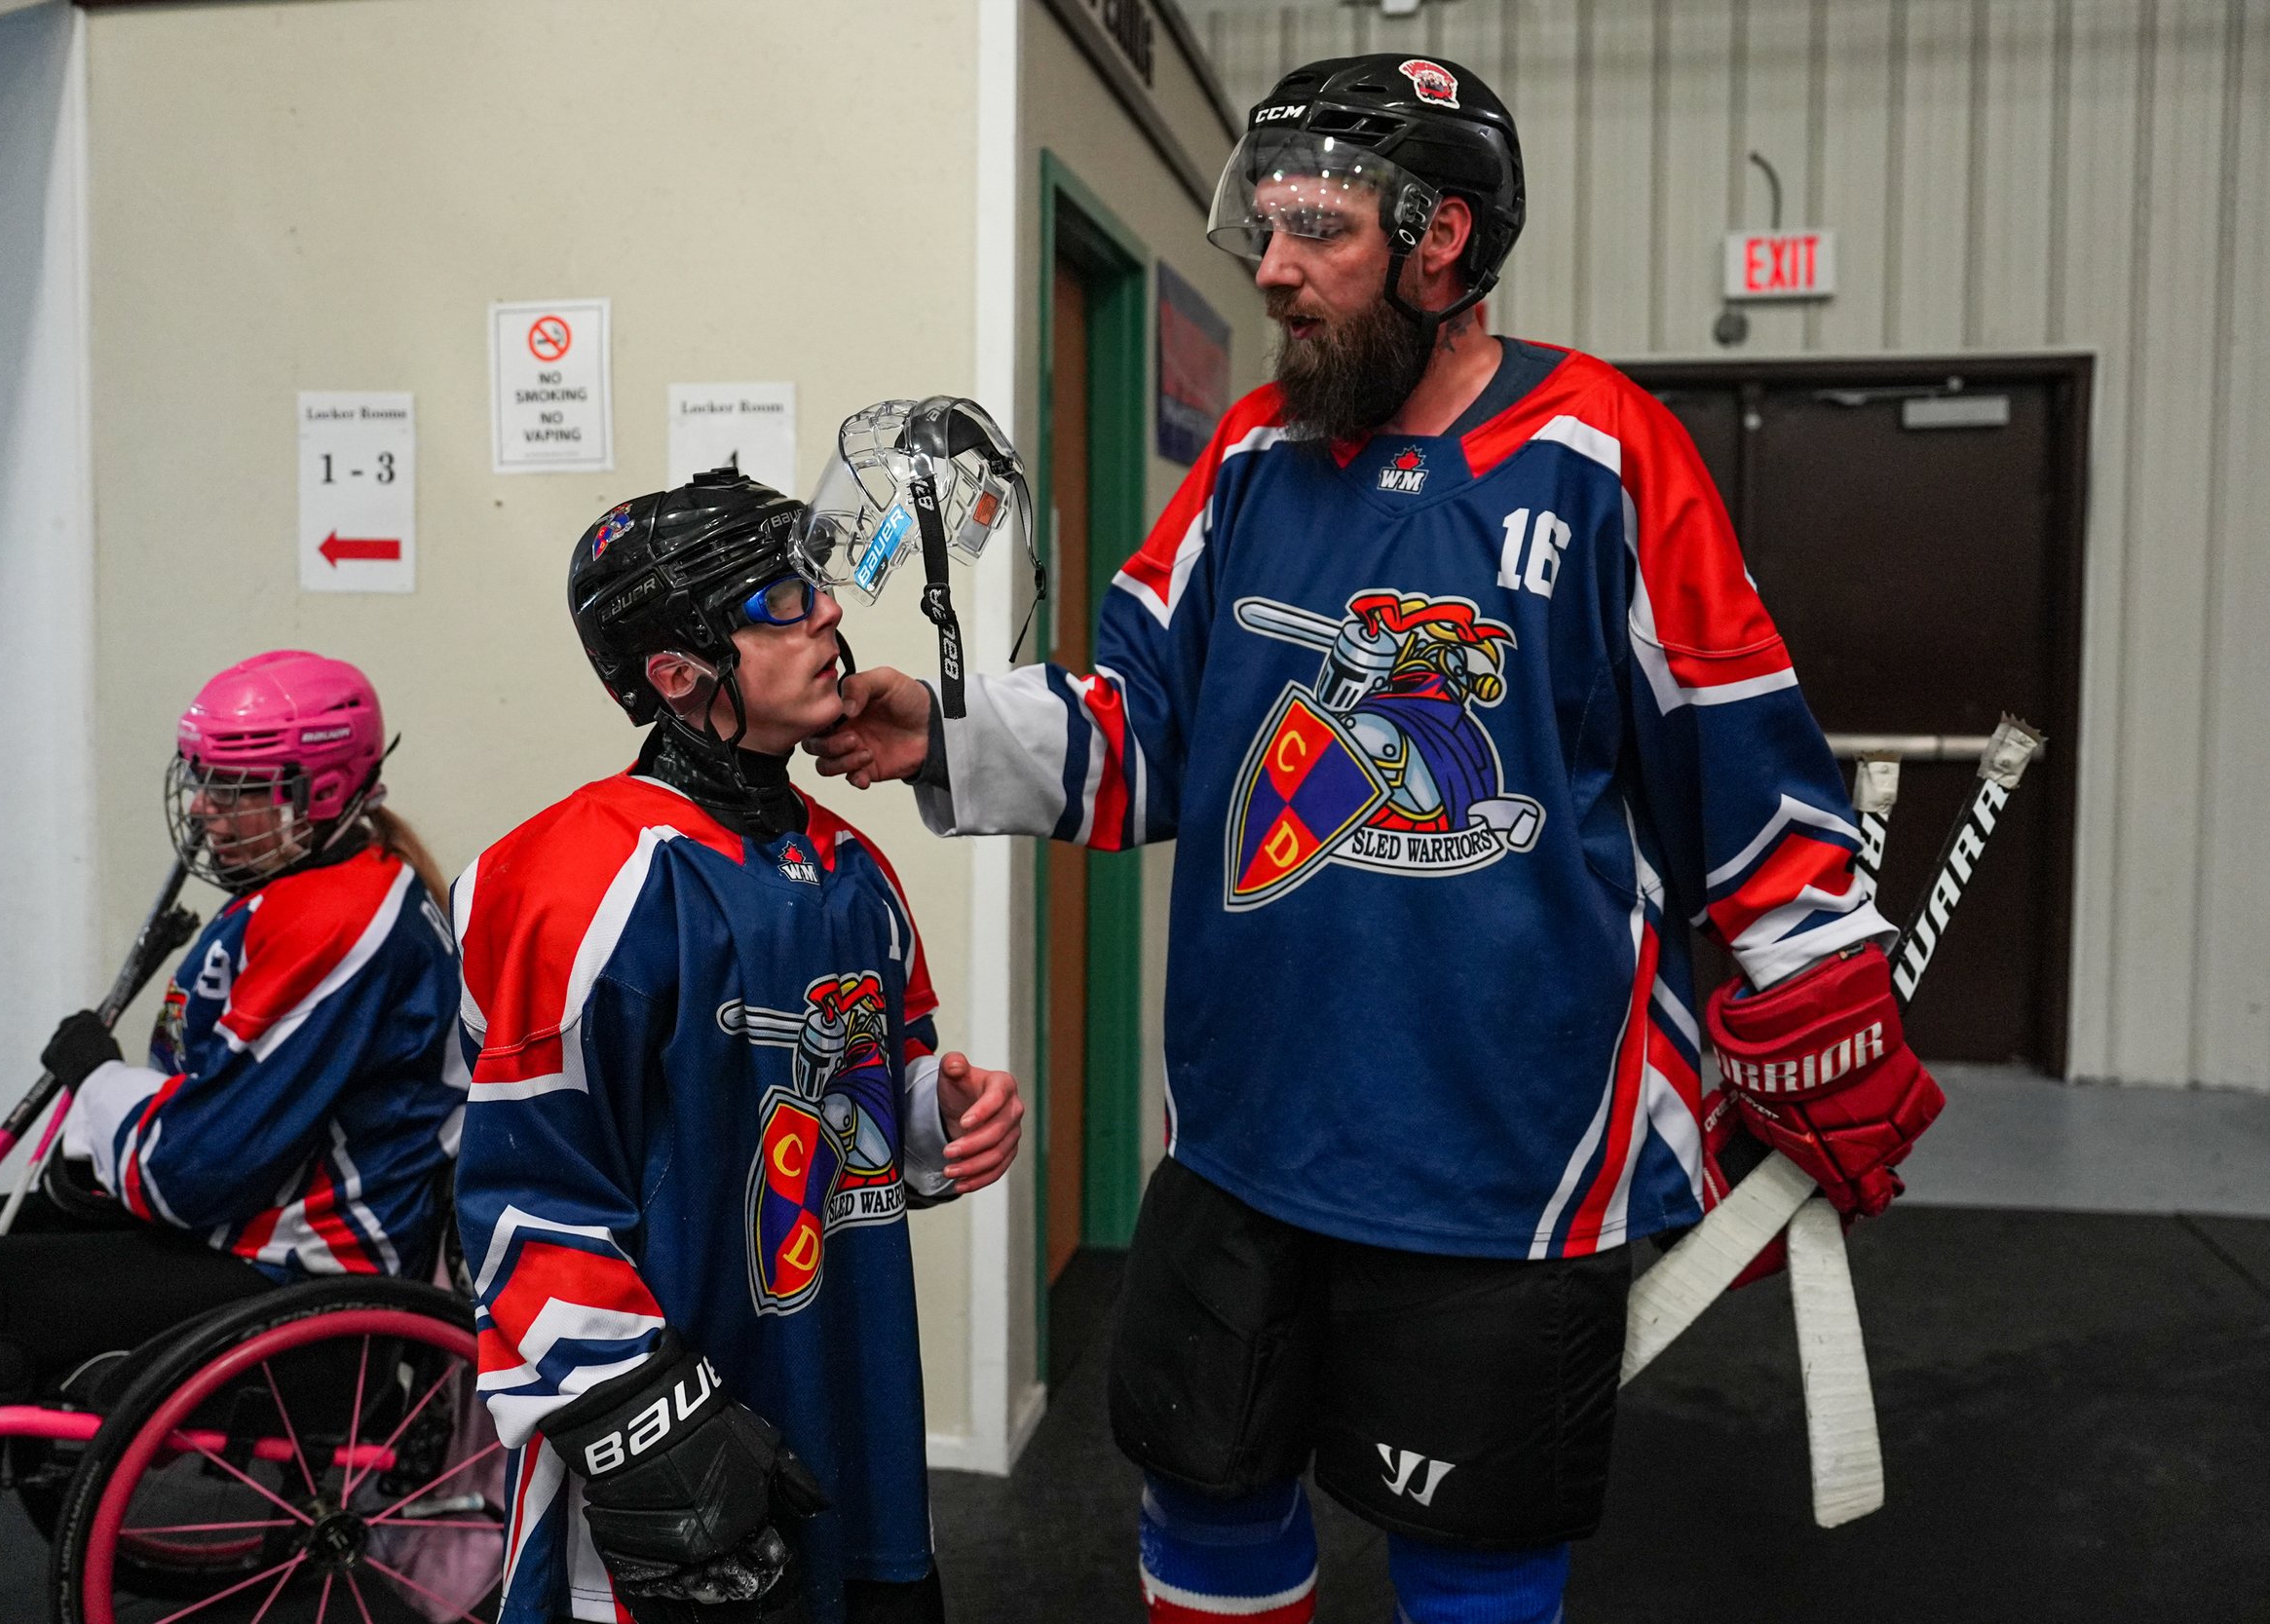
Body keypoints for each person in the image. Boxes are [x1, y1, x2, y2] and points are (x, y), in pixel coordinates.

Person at [808, 54, 1944, 1624]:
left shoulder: (1605, 454)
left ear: (1443, 242)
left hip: (1504, 1159)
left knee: (1474, 1574)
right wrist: (939, 730)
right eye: (1260, 223)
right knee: (1203, 1521)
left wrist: (1816, 986)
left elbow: (1738, 758)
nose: (1268, 265)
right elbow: (1146, 725)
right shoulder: (1255, 457)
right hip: (1244, 1134)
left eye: (1315, 228)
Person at [451, 468, 1024, 1624]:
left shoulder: (855, 868)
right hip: (686, 1428)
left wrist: (934, 1115)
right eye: (774, 598)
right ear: (676, 673)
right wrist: (645, 1428)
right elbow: (524, 1197)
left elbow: (836, 1119)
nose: (822, 613)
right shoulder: (576, 877)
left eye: (812, 582)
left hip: (846, 1388)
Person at [0, 650, 464, 1624]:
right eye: (204, 778)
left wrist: (98, 1080)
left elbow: (193, 1167)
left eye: (238, 785)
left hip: (297, 1274)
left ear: (323, 789)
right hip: (241, 1238)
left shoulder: (344, 922)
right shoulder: (300, 896)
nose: (207, 808)